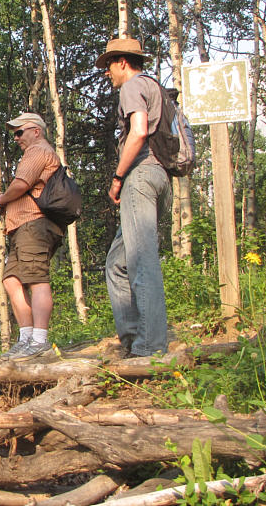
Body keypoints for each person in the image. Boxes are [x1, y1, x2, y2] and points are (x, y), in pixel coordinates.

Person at [97, 37, 171, 357]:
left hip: (140, 177)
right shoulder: (157, 88)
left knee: (142, 263)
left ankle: (150, 347)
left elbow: (139, 131)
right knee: (117, 263)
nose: (107, 73)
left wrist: (117, 177)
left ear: (123, 62)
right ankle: (132, 339)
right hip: (160, 178)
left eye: (109, 66)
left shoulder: (131, 86)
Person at [0, 113, 64, 358]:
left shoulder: (38, 151)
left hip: (34, 223)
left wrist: (1, 198)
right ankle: (26, 339)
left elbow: (22, 183)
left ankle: (39, 341)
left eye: (19, 132)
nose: (16, 138)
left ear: (36, 131)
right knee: (11, 280)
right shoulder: (34, 151)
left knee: (36, 279)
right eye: (14, 133)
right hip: (23, 227)